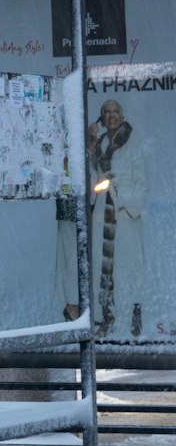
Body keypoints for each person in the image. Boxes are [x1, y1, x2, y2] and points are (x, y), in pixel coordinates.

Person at [87, 99, 147, 339]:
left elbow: (141, 182)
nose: (111, 116)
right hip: (104, 216)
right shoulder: (100, 143)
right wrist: (90, 147)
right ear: (101, 118)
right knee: (104, 270)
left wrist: (124, 203)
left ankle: (135, 313)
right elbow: (93, 178)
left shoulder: (133, 144)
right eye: (106, 112)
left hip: (123, 215)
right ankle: (107, 316)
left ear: (122, 116)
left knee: (129, 267)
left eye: (115, 112)